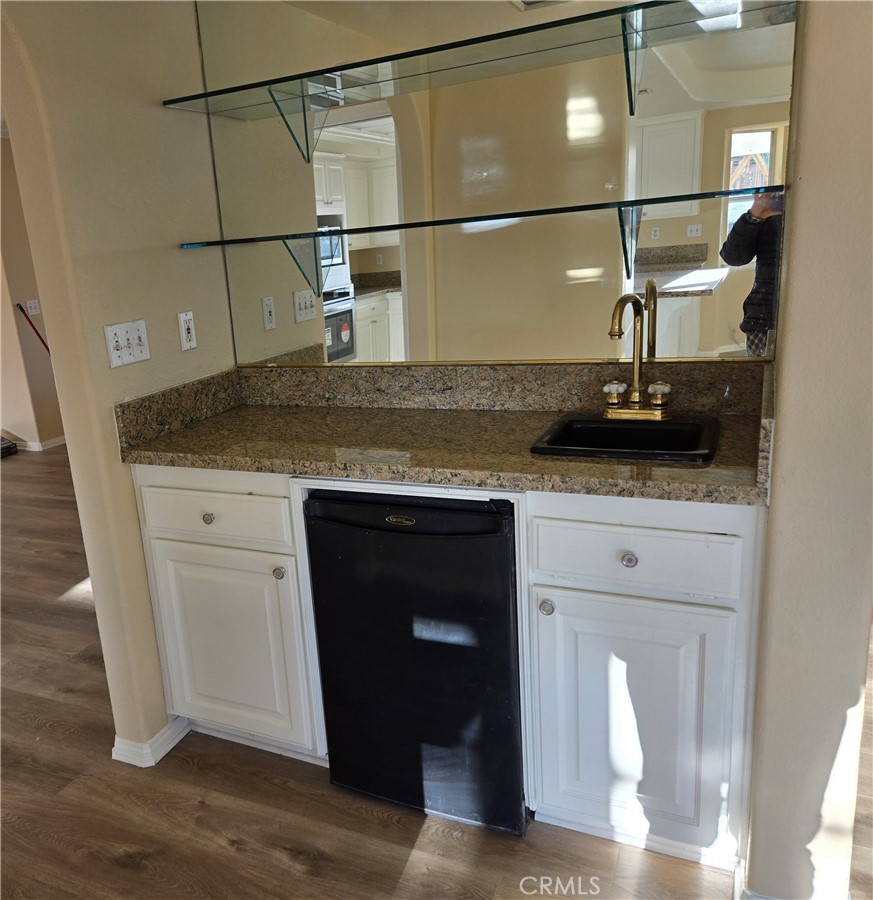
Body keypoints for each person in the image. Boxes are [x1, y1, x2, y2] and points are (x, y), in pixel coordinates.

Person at [719, 192, 783, 356]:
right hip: (763, 320)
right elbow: (733, 257)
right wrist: (755, 216)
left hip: (811, 314)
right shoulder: (769, 215)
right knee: (763, 379)